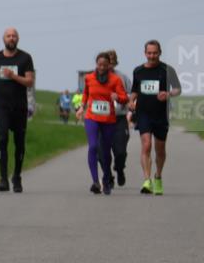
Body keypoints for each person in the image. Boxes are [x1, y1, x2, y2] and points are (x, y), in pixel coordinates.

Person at [0, 28, 35, 193]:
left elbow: (29, 81)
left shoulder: (25, 58)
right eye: (8, 36)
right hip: (1, 105)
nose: (11, 38)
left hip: (19, 106)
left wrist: (13, 76)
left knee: (19, 142)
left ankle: (17, 176)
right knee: (3, 138)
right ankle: (3, 178)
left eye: (14, 36)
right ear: (3, 39)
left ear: (18, 39)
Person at [129, 40, 181, 195]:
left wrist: (169, 94)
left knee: (160, 150)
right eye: (149, 53)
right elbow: (134, 90)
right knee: (146, 145)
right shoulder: (138, 71)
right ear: (145, 53)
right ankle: (147, 180)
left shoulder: (167, 70)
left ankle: (158, 176)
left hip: (161, 115)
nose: (152, 56)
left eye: (155, 53)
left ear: (160, 53)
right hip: (143, 113)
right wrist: (131, 101)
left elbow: (178, 89)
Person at [76, 52, 127, 195]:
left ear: (109, 65)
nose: (102, 67)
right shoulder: (89, 78)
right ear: (96, 64)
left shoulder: (115, 80)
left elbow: (124, 98)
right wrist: (81, 107)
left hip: (108, 120)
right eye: (99, 65)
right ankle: (95, 182)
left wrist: (118, 97)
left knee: (105, 151)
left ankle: (106, 178)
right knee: (93, 147)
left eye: (105, 65)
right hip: (91, 118)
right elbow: (86, 94)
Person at [104, 50, 132, 187]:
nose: (108, 65)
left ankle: (119, 169)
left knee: (120, 151)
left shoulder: (123, 78)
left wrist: (127, 103)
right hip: (102, 120)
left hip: (119, 118)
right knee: (101, 152)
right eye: (106, 62)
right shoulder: (95, 77)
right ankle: (108, 175)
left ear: (115, 63)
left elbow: (131, 95)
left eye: (111, 62)